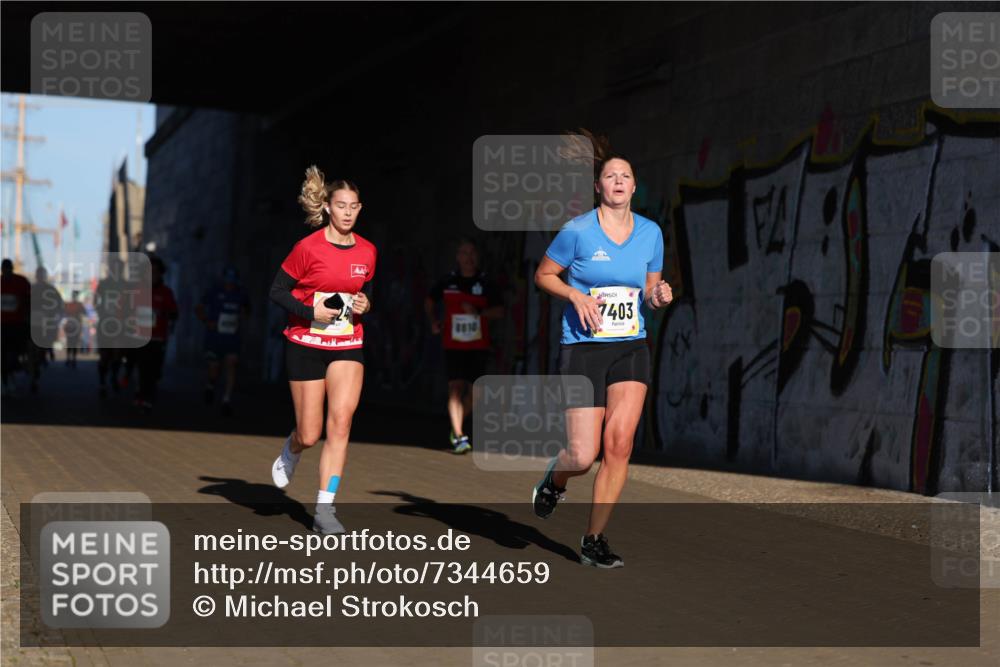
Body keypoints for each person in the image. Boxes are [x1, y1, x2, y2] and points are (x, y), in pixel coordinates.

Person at [532, 133, 673, 568]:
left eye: (625, 176)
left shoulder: (651, 233)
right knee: (582, 454)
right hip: (583, 349)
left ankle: (593, 540)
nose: (618, 181)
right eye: (610, 176)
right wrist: (575, 295)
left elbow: (649, 291)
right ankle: (555, 480)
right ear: (598, 186)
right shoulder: (577, 231)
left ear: (634, 186)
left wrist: (659, 296)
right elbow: (544, 275)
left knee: (620, 445)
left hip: (630, 346)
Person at [268, 166, 375, 535]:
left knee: (341, 422)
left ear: (359, 209)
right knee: (310, 433)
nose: (347, 212)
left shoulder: (368, 251)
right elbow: (277, 291)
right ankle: (293, 447)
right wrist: (309, 312)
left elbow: (365, 291)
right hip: (306, 343)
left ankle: (325, 508)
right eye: (341, 205)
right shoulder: (307, 248)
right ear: (328, 207)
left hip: (347, 343)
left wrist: (366, 304)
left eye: (353, 207)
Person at [425, 237, 504, 453]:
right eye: (464, 253)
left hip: (478, 346)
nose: (468, 257)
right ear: (457, 257)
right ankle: (459, 435)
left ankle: (456, 425)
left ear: (477, 257)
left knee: (476, 394)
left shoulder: (486, 283)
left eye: (472, 253)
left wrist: (479, 313)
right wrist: (433, 321)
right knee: (455, 388)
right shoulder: (447, 281)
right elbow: (429, 301)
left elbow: (500, 311)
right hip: (453, 345)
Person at [196, 266, 250, 415]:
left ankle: (226, 399)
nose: (230, 283)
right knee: (214, 368)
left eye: (233, 280)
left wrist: (242, 315)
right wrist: (206, 321)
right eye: (228, 280)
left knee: (231, 365)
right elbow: (199, 307)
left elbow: (247, 311)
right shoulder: (214, 291)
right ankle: (210, 385)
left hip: (232, 337)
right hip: (214, 337)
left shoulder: (241, 294)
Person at [132, 255, 178, 412]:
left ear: (160, 273)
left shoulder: (166, 292)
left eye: (156, 272)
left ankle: (147, 392)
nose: (152, 275)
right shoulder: (137, 290)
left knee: (155, 369)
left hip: (158, 337)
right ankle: (143, 395)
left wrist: (168, 315)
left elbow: (174, 311)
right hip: (140, 336)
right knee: (142, 366)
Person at [28, 267, 64, 393]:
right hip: (36, 324)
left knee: (37, 348)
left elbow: (59, 305)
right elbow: (59, 305)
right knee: (36, 348)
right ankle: (36, 365)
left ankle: (37, 363)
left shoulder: (35, 288)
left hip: (40, 324)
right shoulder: (46, 289)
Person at [95, 256, 126, 397]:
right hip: (105, 324)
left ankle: (114, 376)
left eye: (119, 268)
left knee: (118, 354)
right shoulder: (104, 284)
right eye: (114, 268)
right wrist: (102, 312)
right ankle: (102, 382)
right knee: (105, 355)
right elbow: (96, 300)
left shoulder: (126, 285)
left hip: (120, 325)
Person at [1, 259, 32, 395]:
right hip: (4, 326)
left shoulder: (21, 282)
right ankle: (5, 379)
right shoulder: (21, 282)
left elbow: (29, 301)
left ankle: (13, 373)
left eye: (8, 270)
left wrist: (27, 317)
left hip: (17, 325)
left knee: (15, 353)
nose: (6, 272)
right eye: (4, 270)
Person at [63, 290, 86, 368]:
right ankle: (73, 359)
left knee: (69, 342)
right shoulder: (79, 305)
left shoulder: (68, 304)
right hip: (75, 325)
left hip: (70, 325)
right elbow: (84, 313)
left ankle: (69, 358)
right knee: (74, 343)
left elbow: (64, 312)